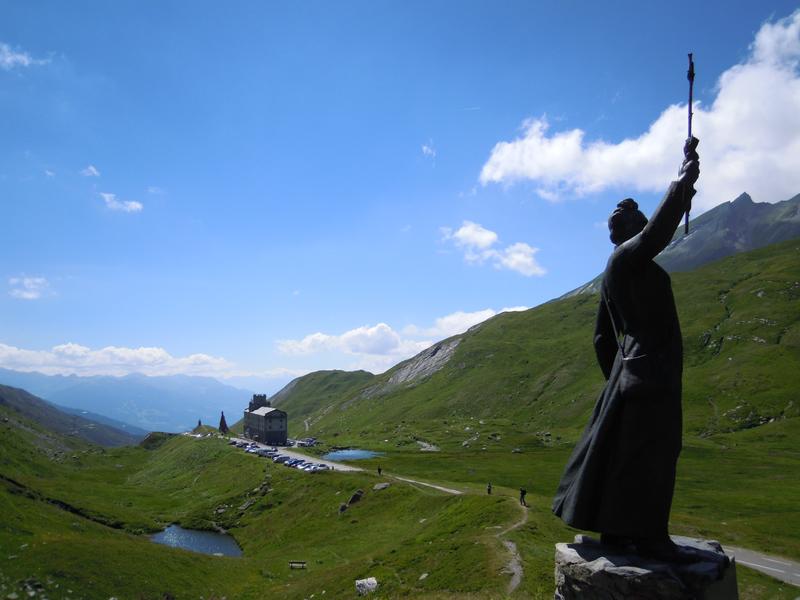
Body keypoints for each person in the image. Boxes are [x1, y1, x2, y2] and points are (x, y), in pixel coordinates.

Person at [552, 138, 700, 563]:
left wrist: (618, 377)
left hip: (630, 374)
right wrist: (684, 181)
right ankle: (652, 537)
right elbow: (660, 231)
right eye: (635, 222)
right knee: (655, 454)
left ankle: (616, 531)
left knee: (626, 455)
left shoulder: (613, 270)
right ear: (632, 229)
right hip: (652, 371)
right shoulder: (628, 259)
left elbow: (601, 339)